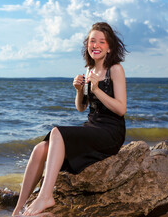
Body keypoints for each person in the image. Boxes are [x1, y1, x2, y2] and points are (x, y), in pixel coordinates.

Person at [12, 22, 127, 216]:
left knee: (57, 132)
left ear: (109, 47)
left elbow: (121, 109)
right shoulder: (89, 71)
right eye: (92, 41)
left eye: (101, 41)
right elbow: (82, 108)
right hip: (92, 127)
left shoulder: (115, 69)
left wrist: (97, 89)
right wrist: (79, 91)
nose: (96, 45)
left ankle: (46, 196)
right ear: (87, 45)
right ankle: (17, 210)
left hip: (111, 132)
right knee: (40, 148)